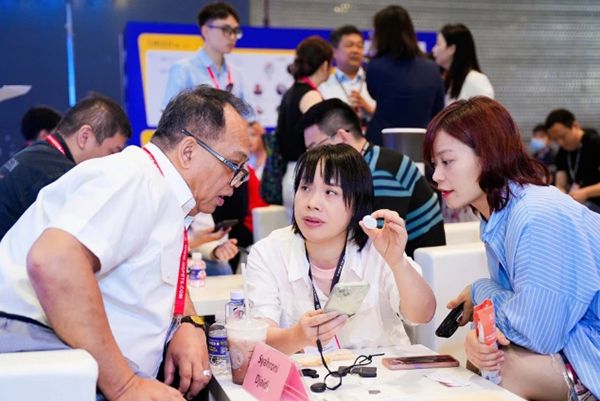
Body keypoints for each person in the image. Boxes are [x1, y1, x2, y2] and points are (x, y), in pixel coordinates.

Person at [0, 86, 251, 401]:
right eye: (233, 166)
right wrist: (125, 385)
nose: (235, 183)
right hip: (55, 370)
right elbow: (54, 261)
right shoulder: (135, 179)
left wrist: (186, 321)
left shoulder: (161, 192)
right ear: (188, 152)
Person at [424, 96, 600, 401]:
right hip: (572, 344)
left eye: (447, 161)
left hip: (588, 352)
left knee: (503, 368)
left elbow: (536, 332)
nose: (437, 176)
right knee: (488, 360)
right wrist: (480, 338)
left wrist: (481, 292)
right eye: (434, 164)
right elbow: (522, 315)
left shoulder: (536, 214)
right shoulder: (497, 216)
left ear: (488, 154)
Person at [245, 144, 435, 355]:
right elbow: (258, 340)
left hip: (381, 372)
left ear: (356, 203)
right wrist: (298, 336)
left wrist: (397, 262)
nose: (312, 203)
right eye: (305, 188)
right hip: (307, 375)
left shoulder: (377, 247)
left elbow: (422, 314)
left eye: (330, 192)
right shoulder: (268, 252)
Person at [301, 98, 445, 257]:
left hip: (413, 265)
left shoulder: (381, 171)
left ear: (342, 138)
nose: (313, 157)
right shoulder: (367, 164)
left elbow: (375, 242)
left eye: (315, 148)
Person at [0, 94, 130, 240]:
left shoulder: (40, 154)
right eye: (112, 152)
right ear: (85, 136)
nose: (112, 161)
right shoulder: (56, 175)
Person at [365, 5, 444, 146]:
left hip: (382, 144)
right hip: (422, 144)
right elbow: (438, 107)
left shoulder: (375, 67)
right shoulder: (432, 68)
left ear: (381, 34)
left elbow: (373, 93)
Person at [276, 35, 333, 219]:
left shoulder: (291, 92)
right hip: (307, 174)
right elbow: (322, 139)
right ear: (325, 65)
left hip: (292, 173)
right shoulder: (310, 96)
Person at [162, 1, 244, 107]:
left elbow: (250, 115)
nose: (232, 37)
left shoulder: (236, 74)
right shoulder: (184, 70)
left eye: (235, 31)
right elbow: (170, 113)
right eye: (226, 29)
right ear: (206, 31)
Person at [545, 108, 600, 213]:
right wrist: (562, 196)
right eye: (555, 139)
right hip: (578, 206)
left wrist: (586, 192)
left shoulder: (595, 144)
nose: (560, 142)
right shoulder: (562, 152)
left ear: (575, 125)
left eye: (563, 136)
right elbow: (560, 184)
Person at [319, 25, 375, 126]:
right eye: (349, 45)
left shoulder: (376, 81)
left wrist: (368, 109)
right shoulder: (323, 85)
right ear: (334, 52)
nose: (355, 50)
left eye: (360, 46)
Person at [432, 23, 494, 106]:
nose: (433, 49)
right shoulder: (450, 81)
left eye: (438, 44)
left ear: (451, 49)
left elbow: (487, 112)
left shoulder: (476, 80)